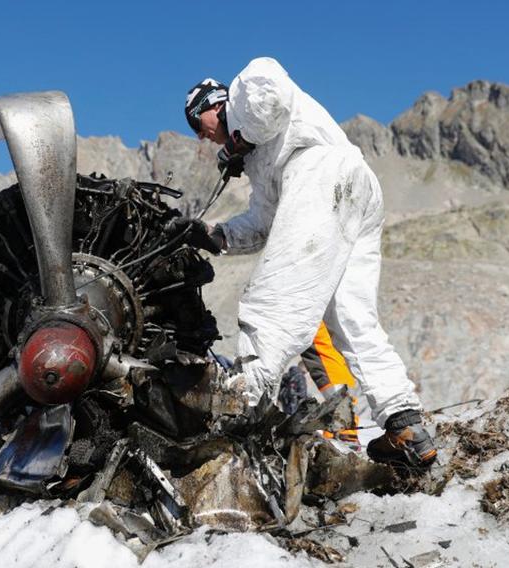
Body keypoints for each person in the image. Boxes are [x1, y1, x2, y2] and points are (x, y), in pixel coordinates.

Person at [179, 58, 436, 468]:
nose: (203, 138)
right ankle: (406, 426)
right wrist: (216, 235)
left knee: (272, 300)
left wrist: (238, 137)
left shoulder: (246, 90)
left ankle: (241, 414)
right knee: (352, 320)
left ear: (211, 105)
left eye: (199, 126)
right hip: (356, 191)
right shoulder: (261, 164)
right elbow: (264, 221)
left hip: (323, 172)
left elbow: (272, 89)